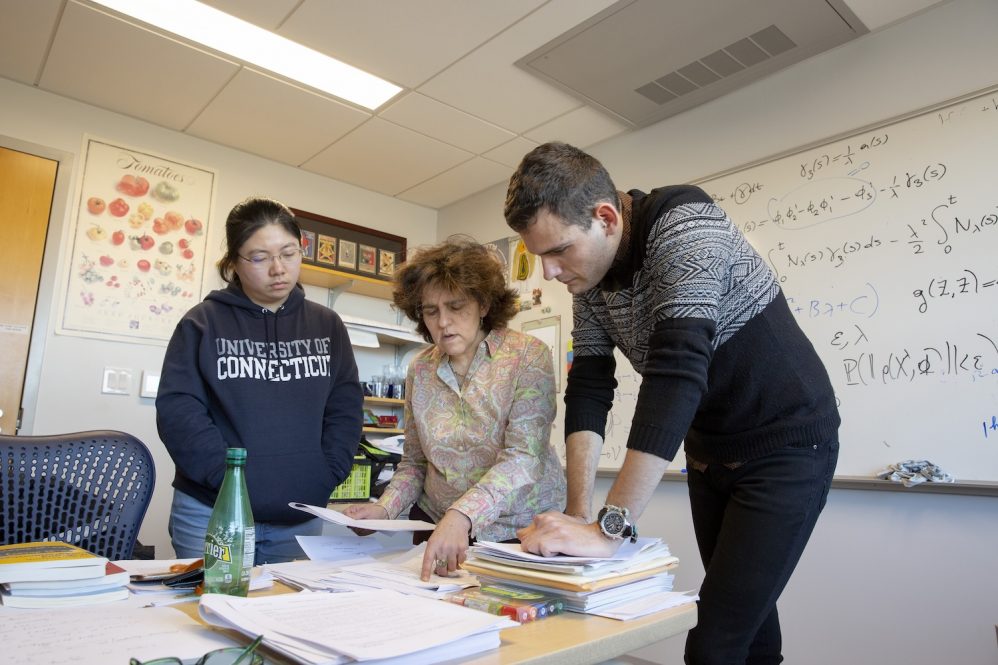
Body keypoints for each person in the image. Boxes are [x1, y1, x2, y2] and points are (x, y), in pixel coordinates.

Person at [504, 142, 840, 665]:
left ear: (606, 218)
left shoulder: (685, 222)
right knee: (749, 630)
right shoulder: (587, 280)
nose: (547, 272)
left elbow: (677, 374)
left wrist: (608, 529)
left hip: (788, 444)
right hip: (710, 454)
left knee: (713, 643)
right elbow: (590, 386)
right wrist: (577, 515)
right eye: (537, 255)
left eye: (557, 251)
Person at [343, 238, 566, 581]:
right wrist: (384, 508)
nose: (443, 322)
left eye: (455, 306)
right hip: (438, 528)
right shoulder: (420, 369)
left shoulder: (527, 356)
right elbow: (415, 463)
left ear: (483, 304)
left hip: (518, 532)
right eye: (431, 311)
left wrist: (462, 515)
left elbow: (524, 458)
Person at [156, 197, 362, 564]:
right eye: (259, 257)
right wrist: (228, 479)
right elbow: (179, 411)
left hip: (298, 516)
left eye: (289, 253)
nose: (278, 269)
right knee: (208, 614)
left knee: (284, 615)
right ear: (233, 262)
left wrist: (326, 473)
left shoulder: (327, 326)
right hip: (214, 512)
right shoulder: (202, 323)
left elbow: (344, 409)